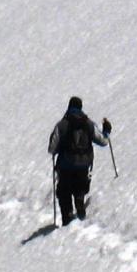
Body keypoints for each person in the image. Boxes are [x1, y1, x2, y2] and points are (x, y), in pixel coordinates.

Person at [48, 96, 111, 226]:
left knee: (64, 192)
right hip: (84, 164)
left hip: (65, 166)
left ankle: (67, 218)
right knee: (80, 188)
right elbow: (103, 141)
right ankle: (80, 204)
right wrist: (107, 131)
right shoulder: (88, 124)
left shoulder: (62, 125)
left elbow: (51, 149)